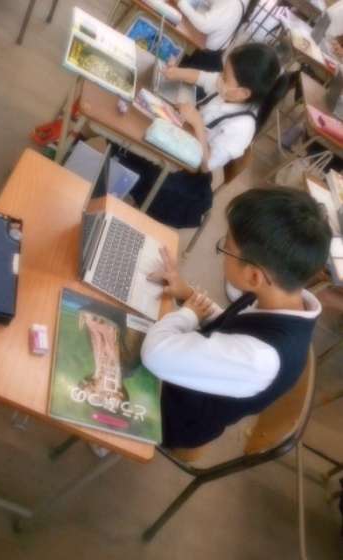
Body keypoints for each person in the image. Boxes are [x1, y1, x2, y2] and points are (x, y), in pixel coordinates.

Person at [141, 187, 332, 449]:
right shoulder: (281, 297)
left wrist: (188, 314)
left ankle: (113, 435)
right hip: (185, 376)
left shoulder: (259, 358)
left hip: (170, 415)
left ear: (254, 276)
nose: (222, 254)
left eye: (227, 248)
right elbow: (231, 326)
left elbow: (154, 354)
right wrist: (187, 294)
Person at [126, 42, 289, 228]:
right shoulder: (228, 90)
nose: (219, 78)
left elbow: (205, 165)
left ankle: (128, 199)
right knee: (135, 125)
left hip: (188, 175)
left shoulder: (242, 127)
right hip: (181, 141)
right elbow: (201, 77)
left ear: (243, 93)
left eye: (225, 77)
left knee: (131, 146)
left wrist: (197, 123)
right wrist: (174, 72)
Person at [174, 0, 258, 72]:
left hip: (203, 60)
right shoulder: (238, 3)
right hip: (209, 53)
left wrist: (180, 3)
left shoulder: (233, 4)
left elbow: (204, 25)